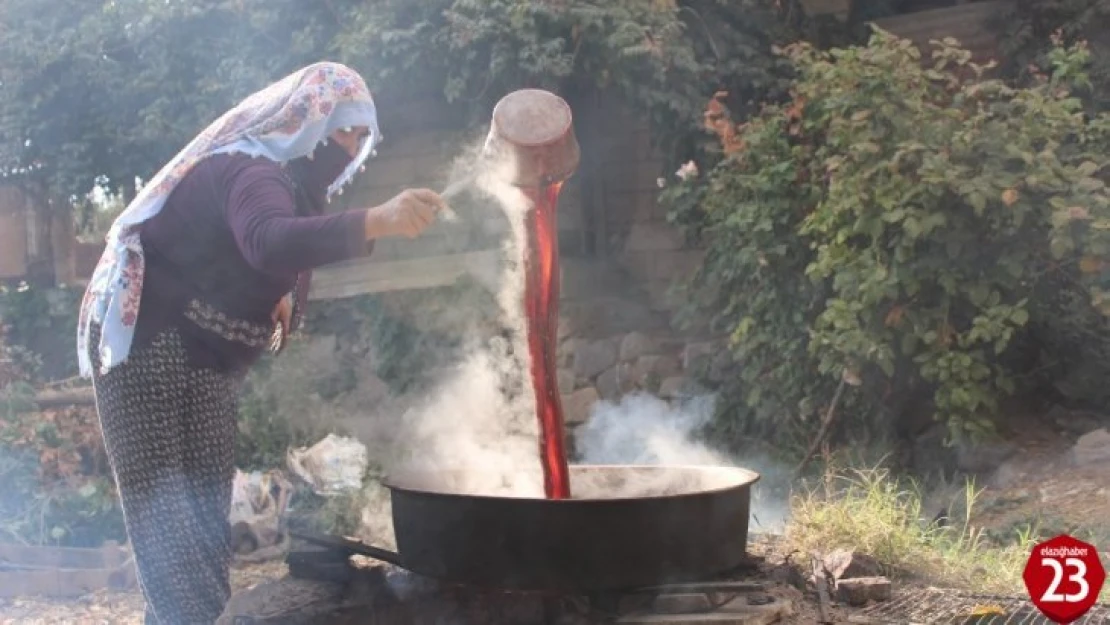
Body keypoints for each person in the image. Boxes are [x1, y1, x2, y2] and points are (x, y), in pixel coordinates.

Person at [75, 62, 446, 624]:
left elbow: (277, 251)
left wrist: (284, 296)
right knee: (167, 522)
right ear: (307, 121)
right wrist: (376, 220)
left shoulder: (292, 188)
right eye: (344, 129)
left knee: (200, 513)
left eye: (362, 136)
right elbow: (268, 240)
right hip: (148, 343)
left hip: (203, 356)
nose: (352, 146)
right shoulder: (254, 170)